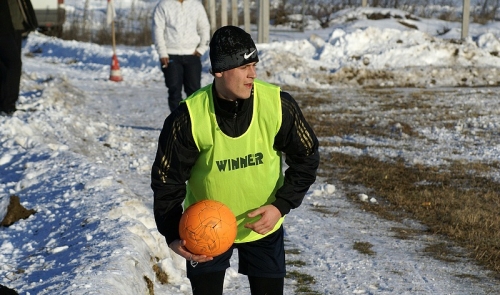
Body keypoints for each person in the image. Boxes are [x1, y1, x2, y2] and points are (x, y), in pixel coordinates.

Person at [151, 25, 320, 295]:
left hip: (264, 225)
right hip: (205, 229)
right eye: (244, 67)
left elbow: (307, 156)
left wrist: (281, 205)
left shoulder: (278, 105)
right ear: (219, 70)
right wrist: (172, 232)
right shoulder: (189, 117)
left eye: (254, 65)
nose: (252, 74)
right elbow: (166, 179)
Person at [152, 0, 211, 112]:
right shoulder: (163, 5)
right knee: (174, 91)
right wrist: (162, 52)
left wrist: (202, 48)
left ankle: (194, 122)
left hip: (192, 55)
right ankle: (177, 123)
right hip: (170, 55)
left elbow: (204, 27)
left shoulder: (196, 5)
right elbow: (157, 30)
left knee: (194, 92)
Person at [0, 0, 37, 115]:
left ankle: (6, 104)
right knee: (14, 64)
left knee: (6, 65)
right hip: (3, 27)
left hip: (16, 25)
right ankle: (7, 105)